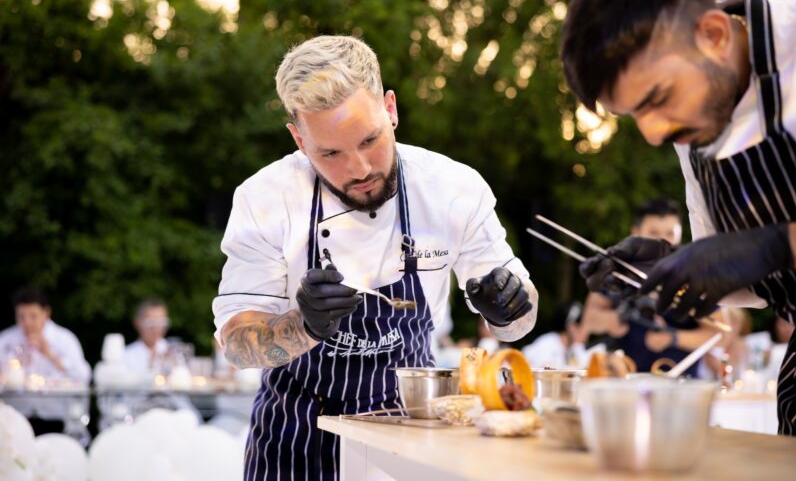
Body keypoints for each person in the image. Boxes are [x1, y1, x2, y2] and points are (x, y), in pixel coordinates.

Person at [212, 35, 539, 479]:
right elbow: (236, 343)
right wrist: (304, 326)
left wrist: (508, 309)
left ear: (391, 109)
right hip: (296, 434)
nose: (360, 169)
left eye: (370, 140)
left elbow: (521, 322)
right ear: (299, 140)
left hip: (412, 430)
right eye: (331, 153)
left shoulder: (453, 190)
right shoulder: (265, 200)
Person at [561, 0, 796, 435]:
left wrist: (777, 243)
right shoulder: (692, 127)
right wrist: (674, 265)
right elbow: (751, 282)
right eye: (635, 115)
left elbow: (764, 252)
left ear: (712, 35)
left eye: (658, 98)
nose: (653, 134)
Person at [581, 199, 719, 376]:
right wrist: (614, 319)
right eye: (653, 232)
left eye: (670, 233)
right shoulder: (618, 269)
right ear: (635, 232)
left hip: (683, 384)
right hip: (626, 382)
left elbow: (719, 334)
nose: (662, 240)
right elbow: (589, 319)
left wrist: (673, 338)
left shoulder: (693, 271)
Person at [0, 287, 91, 433]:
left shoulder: (64, 339)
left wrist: (51, 355)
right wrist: (14, 366)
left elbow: (83, 376)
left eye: (33, 316)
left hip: (56, 418)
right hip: (15, 420)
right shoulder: (6, 340)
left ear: (46, 313)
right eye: (21, 317)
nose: (27, 322)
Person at [523, 300, 590, 369]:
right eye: (584, 326)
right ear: (571, 326)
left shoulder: (577, 348)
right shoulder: (546, 345)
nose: (587, 331)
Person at [123, 298, 171, 374]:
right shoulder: (126, 356)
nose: (156, 328)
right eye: (151, 323)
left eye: (161, 322)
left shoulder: (172, 351)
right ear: (137, 323)